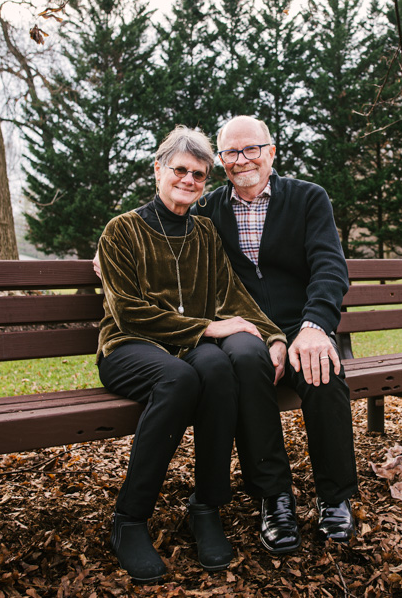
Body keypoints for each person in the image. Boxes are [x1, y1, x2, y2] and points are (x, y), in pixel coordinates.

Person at [95, 125, 287, 584]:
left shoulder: (204, 233)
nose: (188, 180)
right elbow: (128, 313)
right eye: (179, 170)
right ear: (158, 170)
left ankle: (206, 507)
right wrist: (205, 327)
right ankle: (129, 520)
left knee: (218, 367)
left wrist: (274, 337)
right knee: (179, 378)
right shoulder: (122, 230)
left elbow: (233, 295)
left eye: (199, 174)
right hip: (128, 346)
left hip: (187, 347)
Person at [195, 115, 357, 554]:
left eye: (251, 149)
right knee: (246, 365)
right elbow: (163, 210)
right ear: (221, 160)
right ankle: (274, 497)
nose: (241, 159)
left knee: (323, 371)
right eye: (230, 152)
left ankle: (335, 496)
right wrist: (109, 246)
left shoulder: (307, 198)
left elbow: (329, 267)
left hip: (303, 323)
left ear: (270, 151)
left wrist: (315, 326)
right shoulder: (208, 210)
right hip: (247, 328)